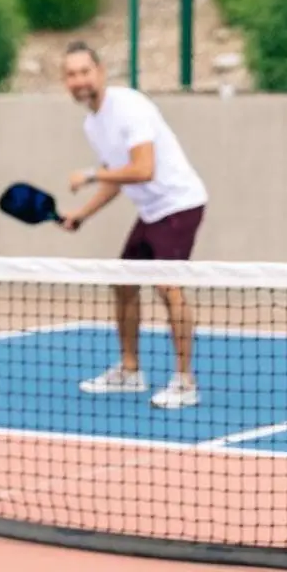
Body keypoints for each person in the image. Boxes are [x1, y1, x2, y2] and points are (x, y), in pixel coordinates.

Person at [58, 41, 206, 410]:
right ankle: (130, 370)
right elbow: (118, 178)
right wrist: (82, 213)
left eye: (84, 71)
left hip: (179, 204)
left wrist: (90, 174)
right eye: (71, 74)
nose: (79, 80)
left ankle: (185, 382)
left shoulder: (129, 107)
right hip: (151, 211)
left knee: (168, 285)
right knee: (123, 282)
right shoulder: (93, 124)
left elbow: (143, 169)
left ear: (101, 71)